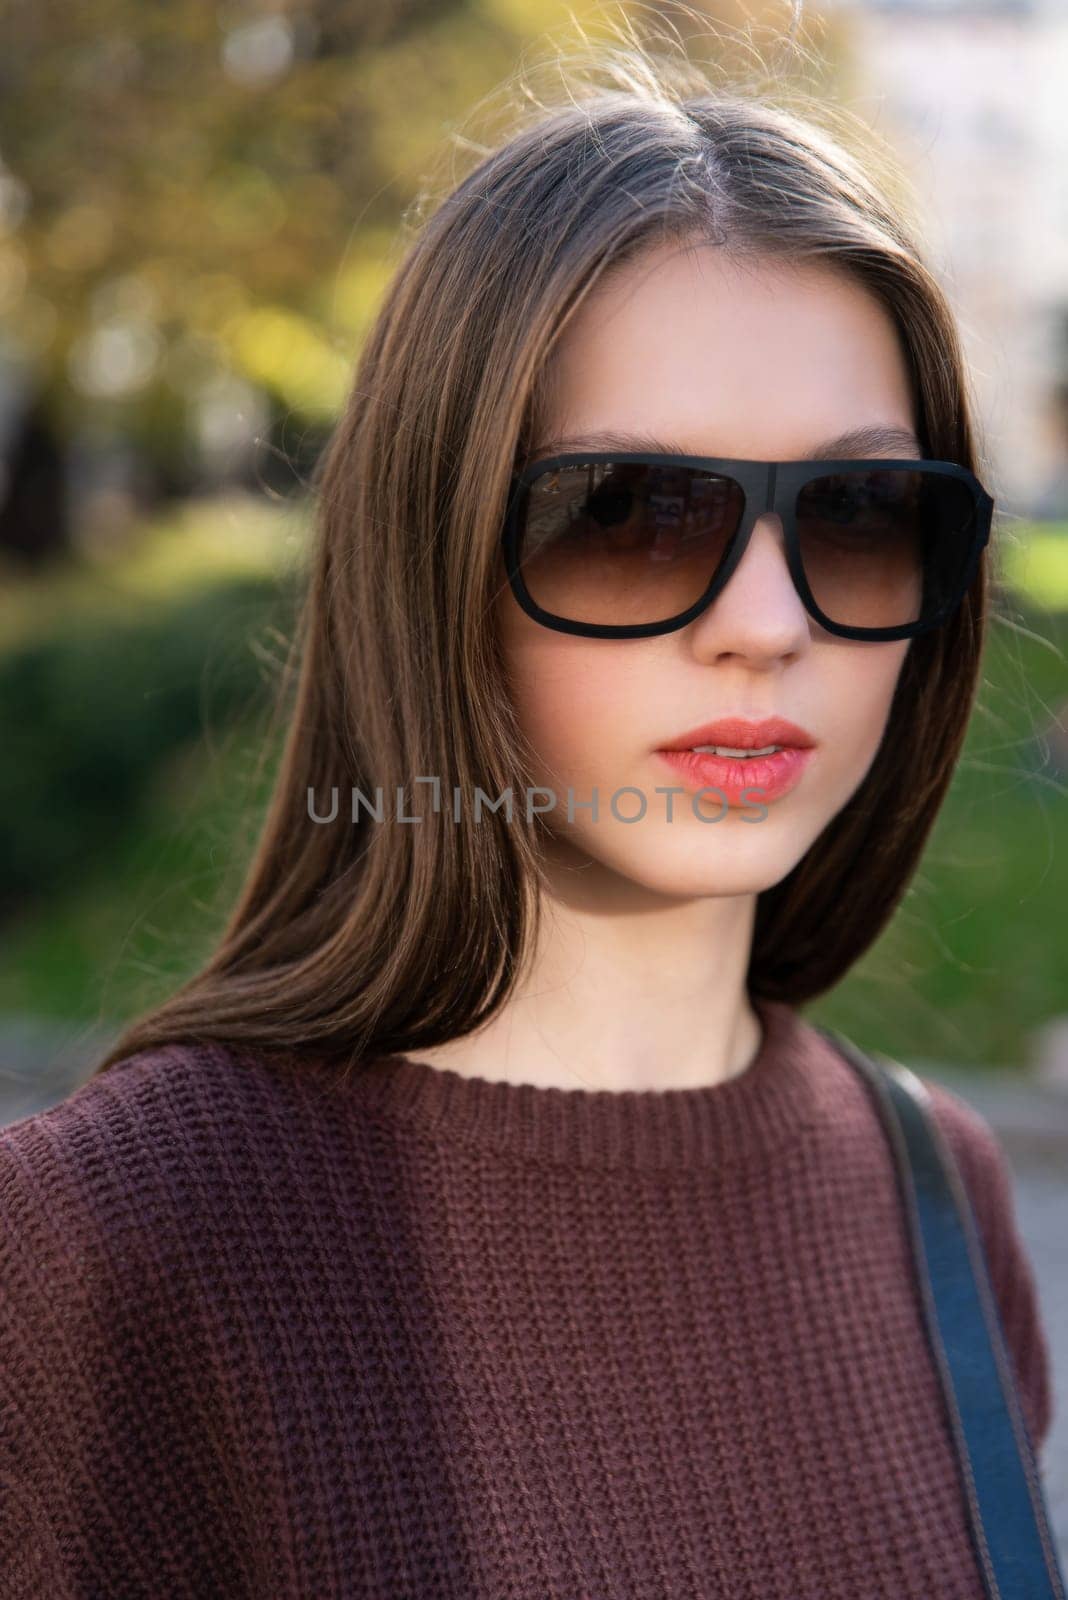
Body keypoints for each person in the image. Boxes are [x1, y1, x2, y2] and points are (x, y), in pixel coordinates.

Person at [0, 32, 1055, 1600]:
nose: (767, 624)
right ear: (432, 565)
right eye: (628, 515)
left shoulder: (939, 1193)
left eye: (860, 517)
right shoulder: (115, 1247)